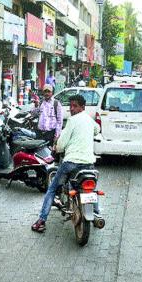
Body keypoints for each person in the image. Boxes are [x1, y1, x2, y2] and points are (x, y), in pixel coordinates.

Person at [31, 94, 101, 233]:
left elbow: (62, 145)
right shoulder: (89, 119)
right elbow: (97, 130)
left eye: (75, 106)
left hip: (71, 163)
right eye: (71, 106)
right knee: (91, 188)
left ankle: (41, 221)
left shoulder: (72, 120)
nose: (72, 109)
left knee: (52, 188)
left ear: (82, 107)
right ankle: (97, 213)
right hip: (88, 163)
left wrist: (57, 147)